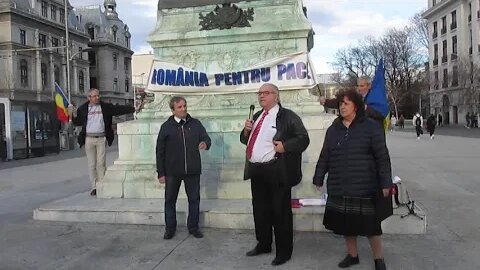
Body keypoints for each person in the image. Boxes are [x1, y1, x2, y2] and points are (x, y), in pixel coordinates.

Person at [313, 89, 392, 270]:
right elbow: (325, 155)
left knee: (372, 227)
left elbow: (382, 157)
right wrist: (318, 177)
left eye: (346, 103)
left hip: (365, 186)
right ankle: (352, 255)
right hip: (340, 185)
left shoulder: (371, 127)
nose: (342, 106)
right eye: (340, 103)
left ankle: (378, 259)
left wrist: (385, 183)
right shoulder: (334, 129)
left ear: (356, 106)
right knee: (346, 225)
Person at [240, 83, 309, 266]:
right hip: (257, 171)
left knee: (280, 213)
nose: (261, 96)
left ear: (276, 96)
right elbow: (245, 140)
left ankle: (284, 252)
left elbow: (303, 139)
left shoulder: (287, 116)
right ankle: (263, 244)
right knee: (260, 211)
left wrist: (285, 146)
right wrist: (246, 131)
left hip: (277, 171)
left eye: (266, 93)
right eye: (260, 93)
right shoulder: (257, 116)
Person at [156, 96, 211, 240]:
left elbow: (206, 137)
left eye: (185, 106)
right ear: (173, 110)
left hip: (192, 170)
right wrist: (161, 173)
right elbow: (159, 151)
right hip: (172, 172)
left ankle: (193, 227)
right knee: (170, 200)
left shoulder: (196, 124)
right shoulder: (166, 127)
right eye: (180, 107)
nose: (184, 109)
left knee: (194, 200)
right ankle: (170, 228)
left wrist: (205, 143)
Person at [70, 88, 139, 196]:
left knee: (101, 163)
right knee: (92, 164)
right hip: (89, 139)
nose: (97, 97)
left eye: (98, 95)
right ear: (89, 98)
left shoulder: (104, 107)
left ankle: (101, 184)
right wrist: (73, 115)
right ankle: (94, 186)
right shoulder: (83, 108)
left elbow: (118, 109)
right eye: (94, 96)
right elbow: (78, 122)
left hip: (101, 138)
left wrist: (133, 109)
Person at [320, 77, 385, 128]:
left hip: (373, 131)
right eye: (358, 86)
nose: (359, 88)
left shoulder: (376, 98)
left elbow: (380, 115)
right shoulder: (356, 96)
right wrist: (326, 101)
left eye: (362, 86)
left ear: (369, 86)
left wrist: (366, 109)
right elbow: (341, 101)